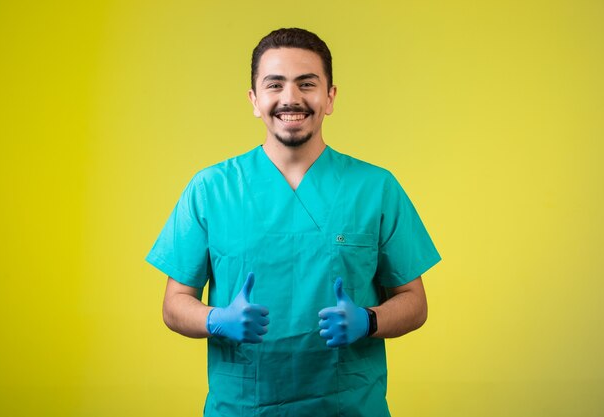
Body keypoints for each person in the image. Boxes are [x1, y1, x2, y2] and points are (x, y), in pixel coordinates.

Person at [146, 27, 441, 417]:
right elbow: (174, 305)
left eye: (307, 84)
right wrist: (217, 320)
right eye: (275, 85)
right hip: (242, 408)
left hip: (349, 407)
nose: (291, 98)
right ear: (254, 99)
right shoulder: (210, 189)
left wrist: (369, 321)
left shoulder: (376, 188)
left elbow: (415, 303)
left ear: (330, 97)